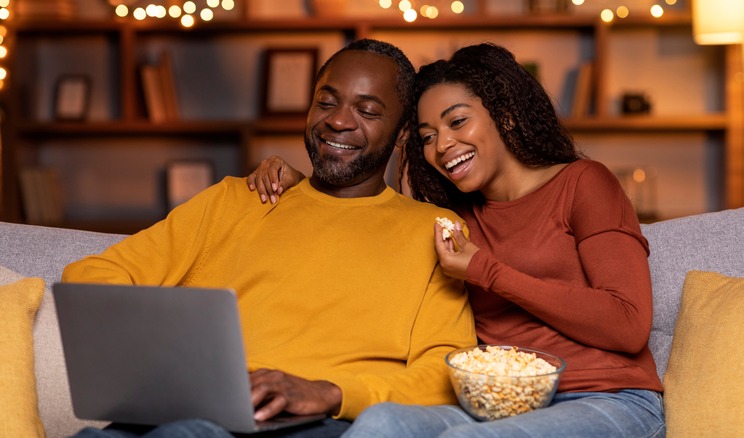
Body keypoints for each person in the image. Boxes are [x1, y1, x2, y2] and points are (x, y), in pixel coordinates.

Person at [62, 39, 476, 438]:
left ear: (403, 133)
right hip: (189, 408)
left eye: (367, 111)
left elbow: (447, 370)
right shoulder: (237, 200)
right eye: (326, 102)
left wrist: (330, 392)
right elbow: (91, 276)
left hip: (311, 421)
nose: (338, 120)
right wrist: (184, 369)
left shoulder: (435, 230)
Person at [248, 42, 665, 437]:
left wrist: (486, 271)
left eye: (458, 121)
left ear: (505, 114)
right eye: (428, 136)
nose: (443, 146)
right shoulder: (454, 223)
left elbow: (627, 324)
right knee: (383, 424)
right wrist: (305, 187)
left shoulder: (583, 184)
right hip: (497, 404)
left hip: (609, 398)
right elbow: (371, 224)